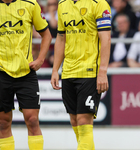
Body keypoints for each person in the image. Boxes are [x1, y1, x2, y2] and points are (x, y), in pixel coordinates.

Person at [0, 0, 52, 150]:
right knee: (3, 122)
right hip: (0, 73)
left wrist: (40, 59)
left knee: (32, 119)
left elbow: (46, 35)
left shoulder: (30, 4)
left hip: (26, 72)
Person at [51, 0, 111, 149]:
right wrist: (55, 70)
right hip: (68, 71)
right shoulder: (63, 4)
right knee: (75, 120)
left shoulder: (99, 4)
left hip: (90, 71)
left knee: (84, 121)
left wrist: (102, 71)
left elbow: (106, 38)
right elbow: (61, 38)